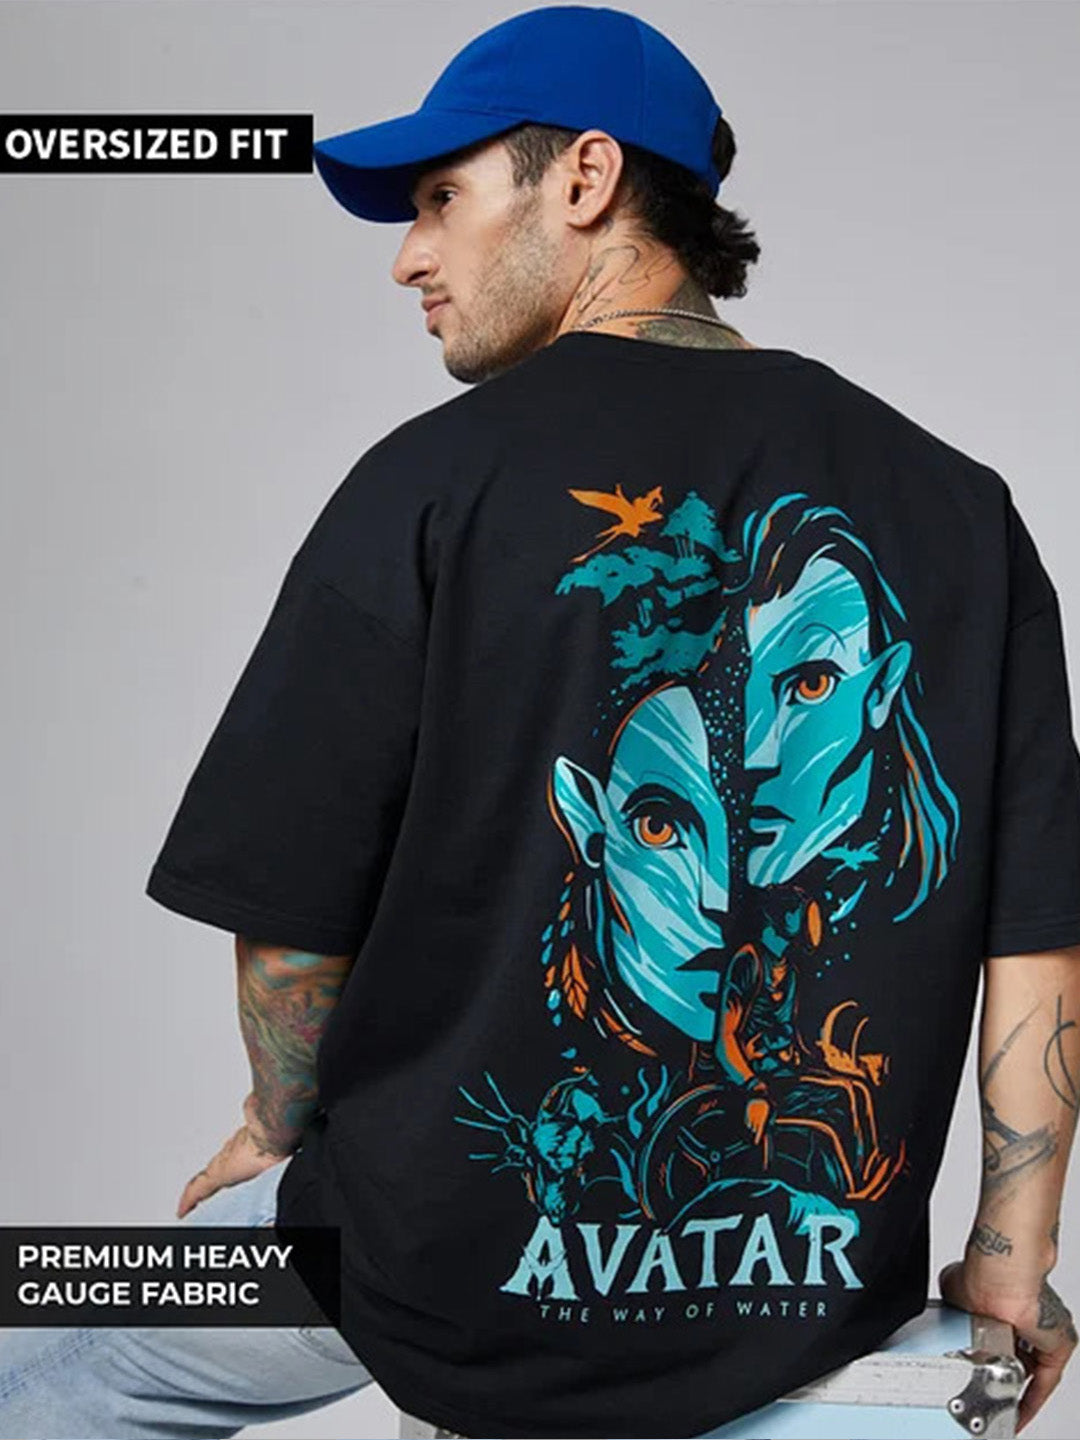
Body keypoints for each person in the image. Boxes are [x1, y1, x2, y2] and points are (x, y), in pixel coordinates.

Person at [3, 4, 1078, 1438]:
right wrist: (1011, 1259)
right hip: (803, 1304)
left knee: (41, 1338)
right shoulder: (956, 506)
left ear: (584, 177)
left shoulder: (429, 485)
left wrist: (274, 1129)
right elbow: (1035, 932)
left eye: (441, 199)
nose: (409, 256)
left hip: (425, 1267)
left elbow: (291, 934)